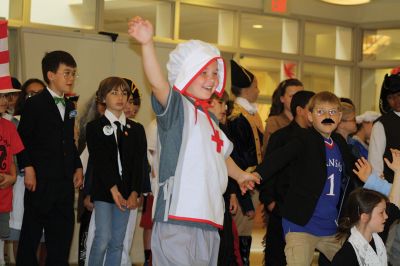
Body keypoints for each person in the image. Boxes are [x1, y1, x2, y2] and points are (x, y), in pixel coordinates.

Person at [128, 16, 259, 265]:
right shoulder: (178, 109)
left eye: (214, 73)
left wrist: (241, 175)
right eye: (203, 73)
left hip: (209, 220)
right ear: (186, 73)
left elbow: (222, 154)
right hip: (178, 217)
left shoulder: (211, 120)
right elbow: (157, 85)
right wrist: (147, 44)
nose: (211, 79)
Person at [255, 91, 360, 265]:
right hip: (301, 225)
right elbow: (280, 157)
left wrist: (371, 174)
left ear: (339, 116)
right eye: (321, 112)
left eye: (333, 112)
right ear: (310, 116)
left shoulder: (340, 143)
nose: (328, 116)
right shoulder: (303, 139)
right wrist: (257, 174)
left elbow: (355, 167)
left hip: (331, 227)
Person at [16, 50, 83, 266]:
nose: (71, 78)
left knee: (61, 239)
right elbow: (22, 139)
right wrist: (28, 168)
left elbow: (69, 142)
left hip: (63, 184)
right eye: (66, 73)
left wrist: (78, 166)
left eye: (73, 73)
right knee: (31, 238)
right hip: (40, 182)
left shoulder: (71, 106)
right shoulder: (34, 104)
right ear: (50, 75)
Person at [86, 77, 147, 266]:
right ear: (103, 98)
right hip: (105, 190)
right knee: (103, 237)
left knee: (117, 243)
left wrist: (135, 192)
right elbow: (100, 161)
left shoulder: (136, 129)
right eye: (114, 93)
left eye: (124, 93)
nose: (120, 97)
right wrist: (114, 191)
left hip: (127, 192)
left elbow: (139, 164)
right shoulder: (94, 127)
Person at [259, 90, 315, 266]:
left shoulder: (316, 139)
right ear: (300, 110)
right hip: (281, 208)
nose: (315, 114)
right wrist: (270, 202)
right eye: (312, 109)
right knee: (277, 256)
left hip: (305, 210)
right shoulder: (281, 137)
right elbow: (268, 170)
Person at [227, 60, 264, 265]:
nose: (258, 91)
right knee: (240, 228)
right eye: (256, 86)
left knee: (246, 228)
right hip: (241, 183)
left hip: (252, 179)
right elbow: (237, 156)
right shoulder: (236, 117)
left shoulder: (251, 113)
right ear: (246, 89)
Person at [7, 78, 46, 264]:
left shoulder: (51, 121)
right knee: (19, 234)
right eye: (30, 93)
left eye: (39, 94)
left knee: (37, 235)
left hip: (43, 184)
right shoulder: (14, 122)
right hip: (20, 183)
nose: (34, 98)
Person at [208, 91, 241, 266]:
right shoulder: (198, 128)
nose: (225, 108)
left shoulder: (223, 129)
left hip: (222, 197)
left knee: (226, 245)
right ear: (208, 103)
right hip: (205, 200)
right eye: (221, 103)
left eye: (226, 104)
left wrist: (233, 193)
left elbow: (227, 162)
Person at [0, 78, 24, 266]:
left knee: (1, 236)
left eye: (6, 96)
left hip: (4, 195)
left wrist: (14, 176)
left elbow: (14, 155)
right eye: (0, 96)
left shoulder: (9, 126)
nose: (4, 101)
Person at [331, 188, 389, 266]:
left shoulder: (378, 237)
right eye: (381, 212)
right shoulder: (346, 256)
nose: (386, 216)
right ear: (365, 217)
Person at [369, 73, 400, 183]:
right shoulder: (381, 125)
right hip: (392, 189)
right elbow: (375, 163)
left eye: (399, 95)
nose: (396, 101)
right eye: (391, 97)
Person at [261, 78, 303, 154]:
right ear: (282, 98)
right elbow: (270, 151)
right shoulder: (274, 121)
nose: (296, 100)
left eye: (300, 96)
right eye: (291, 96)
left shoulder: (308, 121)